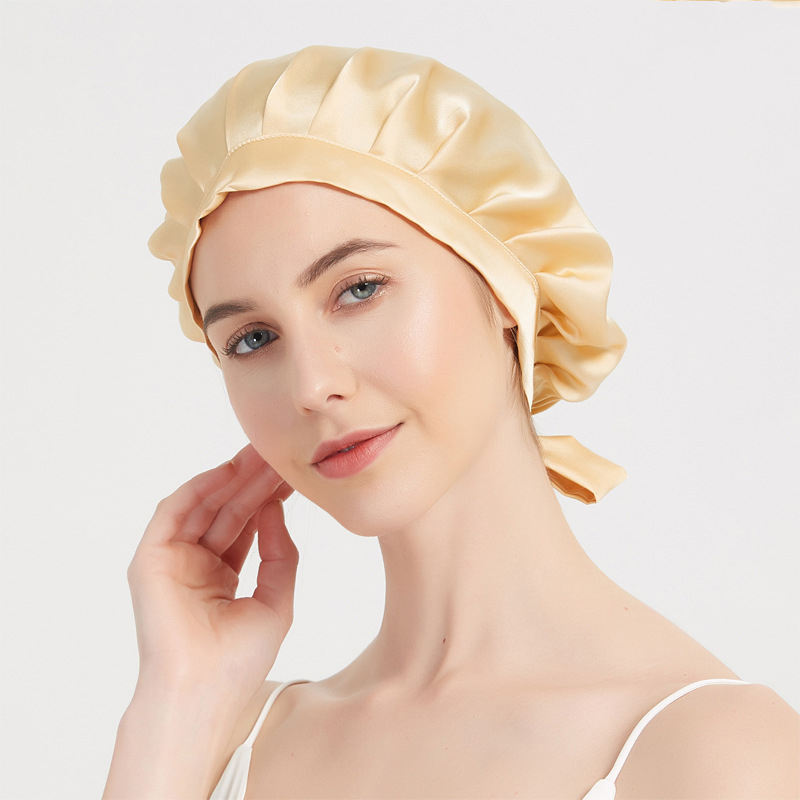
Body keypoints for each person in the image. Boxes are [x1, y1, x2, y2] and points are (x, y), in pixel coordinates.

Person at [103, 45, 799, 800]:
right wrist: (173, 707)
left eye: (359, 289)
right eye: (252, 339)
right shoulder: (221, 734)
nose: (313, 386)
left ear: (502, 285)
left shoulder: (713, 754)